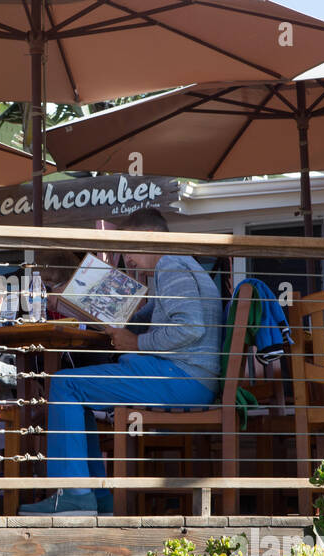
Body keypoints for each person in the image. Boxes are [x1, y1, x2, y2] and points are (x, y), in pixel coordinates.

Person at [19, 208, 223, 515]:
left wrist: (136, 342)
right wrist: (98, 310)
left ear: (150, 237)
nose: (127, 259)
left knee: (65, 384)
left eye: (129, 248)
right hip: (183, 375)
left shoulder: (171, 266)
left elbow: (188, 328)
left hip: (181, 378)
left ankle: (75, 495)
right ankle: (95, 498)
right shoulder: (175, 269)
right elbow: (149, 319)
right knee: (75, 391)